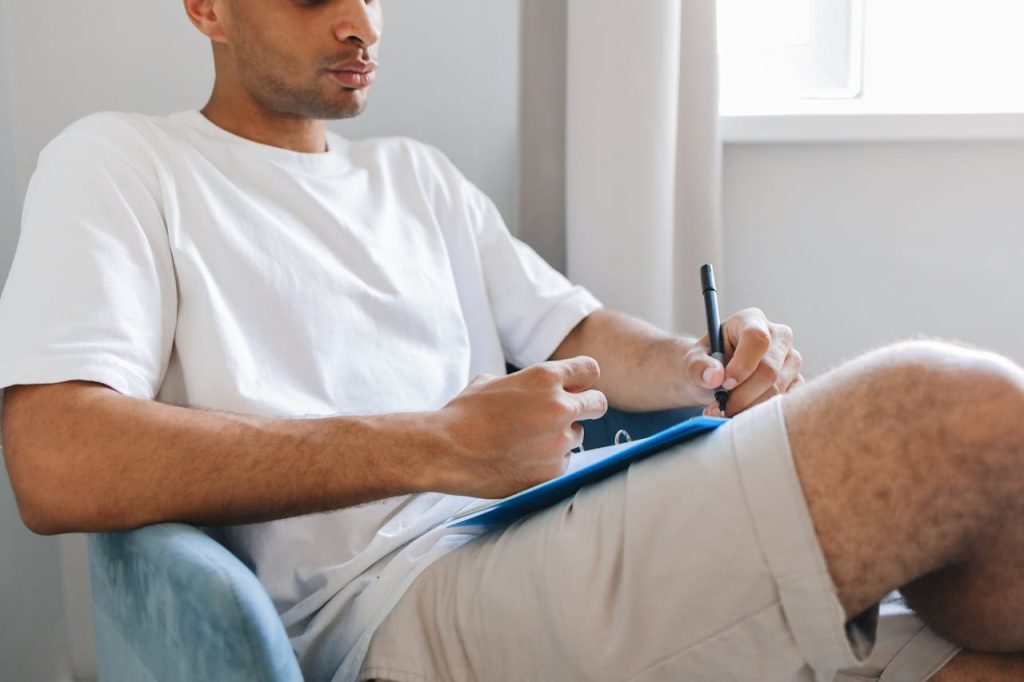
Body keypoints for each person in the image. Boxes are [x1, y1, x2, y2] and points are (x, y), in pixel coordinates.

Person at [1, 1, 1022, 680]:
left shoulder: (416, 177)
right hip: (391, 603)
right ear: (207, 8)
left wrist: (702, 367)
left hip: (541, 528)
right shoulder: (123, 163)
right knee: (958, 413)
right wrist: (436, 444)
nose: (361, 22)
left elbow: (571, 329)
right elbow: (53, 458)